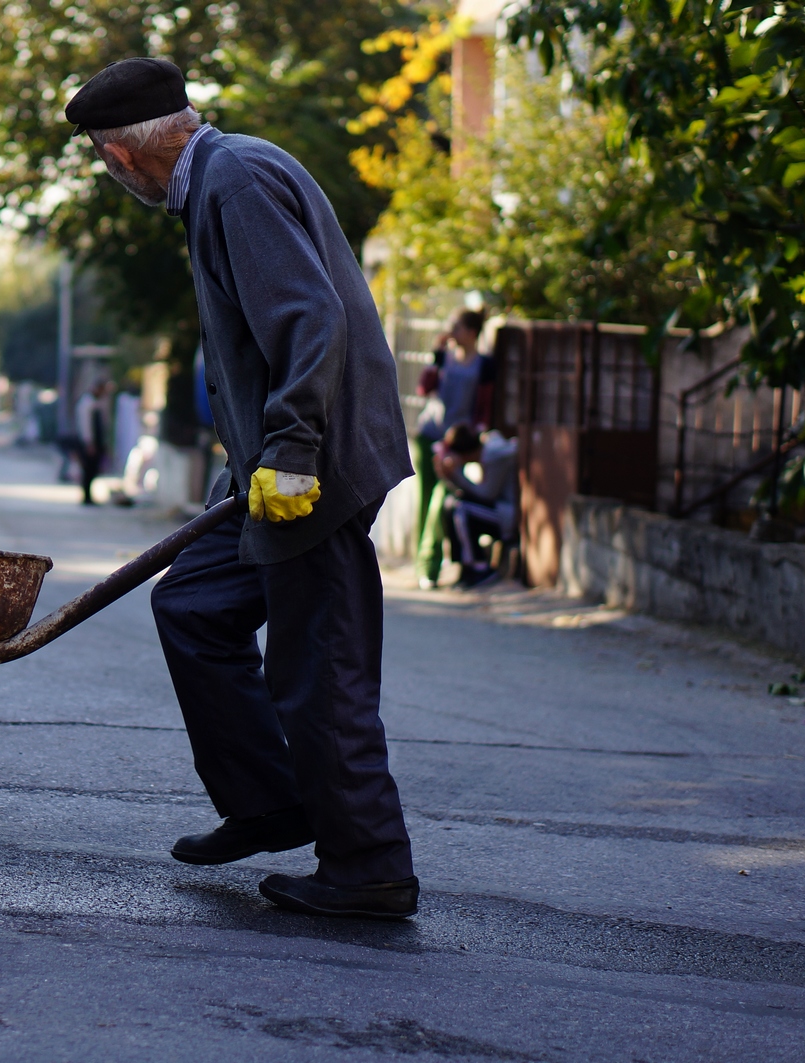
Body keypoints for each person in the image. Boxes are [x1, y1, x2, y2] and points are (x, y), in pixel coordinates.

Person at [65, 58, 417, 918]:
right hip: (270, 466)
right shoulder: (224, 176)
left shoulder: (235, 181)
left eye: (106, 166)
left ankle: (370, 866)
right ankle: (270, 801)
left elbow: (308, 318)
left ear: (121, 156)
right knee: (193, 606)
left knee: (319, 667)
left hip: (313, 469)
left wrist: (292, 449)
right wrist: (250, 459)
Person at [413, 309, 495, 589]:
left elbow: (484, 407)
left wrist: (477, 440)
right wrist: (435, 355)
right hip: (430, 435)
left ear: (472, 332)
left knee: (444, 497)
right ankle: (425, 567)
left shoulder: (483, 364)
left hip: (457, 443)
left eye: (456, 327)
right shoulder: (444, 357)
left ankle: (437, 562)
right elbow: (423, 389)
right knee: (426, 500)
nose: (451, 332)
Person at [434, 423, 518, 588]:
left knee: (461, 508)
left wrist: (456, 474)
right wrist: (448, 477)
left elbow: (487, 494)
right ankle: (465, 568)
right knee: (451, 504)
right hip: (496, 511)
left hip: (507, 516)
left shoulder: (495, 455)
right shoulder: (487, 451)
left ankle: (480, 567)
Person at [75, 379, 114, 505]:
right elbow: (85, 425)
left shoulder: (98, 403)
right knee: (88, 469)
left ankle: (88, 496)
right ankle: (86, 496)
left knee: (93, 469)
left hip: (97, 442)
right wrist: (89, 442)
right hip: (90, 442)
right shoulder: (87, 403)